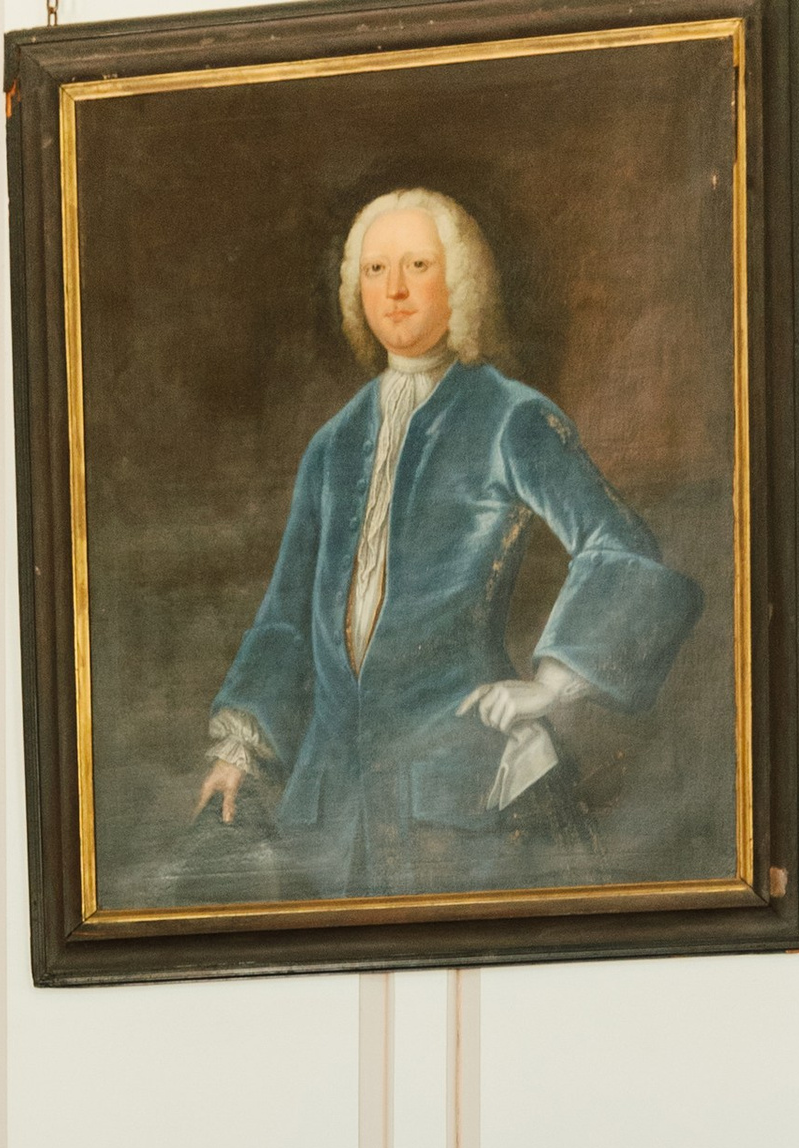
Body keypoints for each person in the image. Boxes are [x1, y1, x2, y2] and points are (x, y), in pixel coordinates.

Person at [194, 188, 703, 898]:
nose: (394, 290)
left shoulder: (510, 418)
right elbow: (285, 613)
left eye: (417, 265)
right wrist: (241, 751)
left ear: (459, 280)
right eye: (375, 270)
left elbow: (622, 547)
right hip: (331, 813)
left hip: (459, 798)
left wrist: (552, 685)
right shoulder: (333, 444)